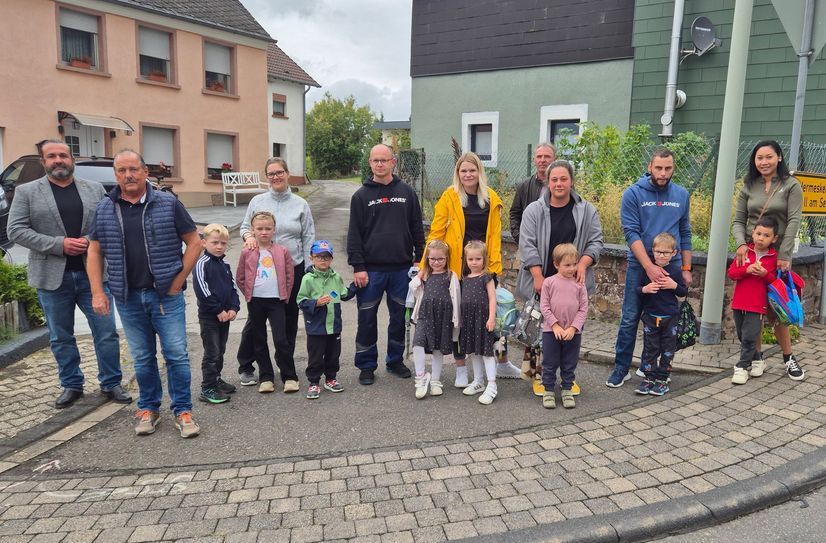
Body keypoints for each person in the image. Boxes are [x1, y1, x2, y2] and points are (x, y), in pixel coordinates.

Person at [7, 140, 130, 409]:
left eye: (63, 155)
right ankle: (72, 384)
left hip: (93, 275)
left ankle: (111, 382)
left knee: (107, 332)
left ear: (71, 159)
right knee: (61, 336)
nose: (58, 160)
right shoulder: (27, 191)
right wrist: (58, 244)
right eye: (52, 156)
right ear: (43, 162)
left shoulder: (93, 189)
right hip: (52, 276)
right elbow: (15, 230)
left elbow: (106, 224)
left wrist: (88, 240)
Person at [88, 149, 202, 438]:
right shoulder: (104, 208)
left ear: (144, 172)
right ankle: (148, 407)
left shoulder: (167, 203)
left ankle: (182, 410)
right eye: (122, 170)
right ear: (116, 175)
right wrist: (97, 291)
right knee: (142, 357)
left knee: (176, 355)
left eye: (134, 169)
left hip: (165, 296)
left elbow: (195, 242)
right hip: (127, 298)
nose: (128, 175)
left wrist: (177, 282)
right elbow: (95, 249)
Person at [422, 152, 521, 385]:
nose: (468, 174)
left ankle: (503, 362)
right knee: (460, 319)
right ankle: (460, 370)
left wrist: (495, 269)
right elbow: (436, 233)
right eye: (463, 171)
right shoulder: (449, 197)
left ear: (479, 172)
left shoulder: (491, 198)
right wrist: (425, 265)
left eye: (472, 170)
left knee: (493, 318)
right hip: (458, 268)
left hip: (484, 268)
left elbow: (495, 238)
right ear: (458, 173)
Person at [606, 147, 692, 388]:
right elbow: (631, 232)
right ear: (649, 167)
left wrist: (686, 267)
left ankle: (655, 368)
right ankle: (621, 367)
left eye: (668, 168)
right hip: (640, 266)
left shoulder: (682, 195)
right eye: (658, 168)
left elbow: (685, 232)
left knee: (665, 319)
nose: (663, 173)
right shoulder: (633, 194)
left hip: (671, 267)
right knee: (631, 317)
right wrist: (649, 266)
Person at [518, 160, 603, 396]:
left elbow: (596, 241)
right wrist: (537, 275)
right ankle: (539, 377)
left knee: (569, 332)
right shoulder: (534, 210)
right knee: (539, 331)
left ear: (571, 181)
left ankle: (567, 379)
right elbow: (527, 244)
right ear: (547, 182)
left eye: (563, 179)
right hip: (542, 280)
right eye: (554, 179)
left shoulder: (586, 210)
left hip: (572, 285)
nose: (558, 183)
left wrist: (584, 264)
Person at [347, 144, 425, 385]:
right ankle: (366, 365)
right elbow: (354, 235)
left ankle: (395, 361)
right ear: (370, 163)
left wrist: (420, 259)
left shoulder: (407, 192)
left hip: (402, 270)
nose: (379, 164)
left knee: (399, 319)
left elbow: (416, 228)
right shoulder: (360, 196)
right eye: (375, 160)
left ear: (393, 162)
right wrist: (358, 266)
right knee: (367, 319)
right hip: (370, 271)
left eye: (384, 160)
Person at [732, 140, 804, 381]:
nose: (764, 162)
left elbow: (794, 220)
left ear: (779, 158)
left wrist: (784, 255)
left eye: (769, 157)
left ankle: (788, 357)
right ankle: (757, 358)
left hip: (778, 256)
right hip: (752, 253)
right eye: (759, 158)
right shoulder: (749, 186)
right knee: (753, 306)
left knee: (777, 307)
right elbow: (738, 221)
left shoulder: (791, 185)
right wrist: (742, 244)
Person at [239, 158, 314, 368]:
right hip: (262, 270)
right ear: (267, 177)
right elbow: (245, 227)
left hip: (293, 268)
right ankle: (246, 364)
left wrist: (309, 268)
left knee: (289, 317)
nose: (275, 177)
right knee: (255, 321)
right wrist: (248, 237)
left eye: (279, 172)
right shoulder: (257, 202)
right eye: (271, 174)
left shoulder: (300, 204)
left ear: (287, 174)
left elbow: (308, 236)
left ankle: (285, 364)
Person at [236, 211, 296, 393]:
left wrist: (284, 294)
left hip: (276, 302)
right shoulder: (247, 251)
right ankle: (266, 377)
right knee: (259, 340)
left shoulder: (282, 251)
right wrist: (249, 294)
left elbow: (289, 275)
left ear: (274, 230)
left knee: (281, 339)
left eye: (268, 228)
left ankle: (290, 376)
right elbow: (240, 277)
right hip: (256, 302)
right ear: (253, 230)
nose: (264, 232)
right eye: (259, 229)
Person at [296, 240, 357, 400]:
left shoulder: (336, 277)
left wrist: (355, 286)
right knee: (315, 356)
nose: (323, 260)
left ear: (331, 259)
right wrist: (315, 303)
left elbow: (344, 294)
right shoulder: (307, 279)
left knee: (333, 354)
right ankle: (314, 382)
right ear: (311, 258)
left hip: (334, 325)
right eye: (319, 257)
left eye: (326, 257)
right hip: (316, 326)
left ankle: (330, 378)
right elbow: (300, 300)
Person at [634, 232, 688, 396]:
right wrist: (645, 289)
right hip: (650, 317)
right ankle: (649, 378)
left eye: (665, 252)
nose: (661, 256)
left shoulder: (675, 271)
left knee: (667, 350)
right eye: (658, 252)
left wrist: (673, 285)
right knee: (650, 349)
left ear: (674, 253)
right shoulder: (648, 270)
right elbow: (636, 289)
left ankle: (663, 379)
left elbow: (683, 292)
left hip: (670, 318)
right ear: (653, 251)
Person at [192, 223, 240, 404]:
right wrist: (218, 310)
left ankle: (216, 379)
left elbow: (232, 289)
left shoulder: (225, 265)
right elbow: (202, 290)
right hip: (210, 317)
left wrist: (233, 308)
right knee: (211, 352)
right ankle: (207, 387)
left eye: (223, 243)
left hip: (225, 316)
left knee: (220, 350)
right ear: (204, 243)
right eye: (214, 242)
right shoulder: (201, 264)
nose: (219, 246)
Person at [727, 217, 779, 385]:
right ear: (752, 233)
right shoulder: (744, 252)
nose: (761, 238)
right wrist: (747, 270)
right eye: (758, 233)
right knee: (743, 335)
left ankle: (741, 367)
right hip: (739, 302)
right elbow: (732, 273)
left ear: (774, 239)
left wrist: (765, 274)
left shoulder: (773, 257)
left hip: (758, 305)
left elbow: (774, 281)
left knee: (750, 336)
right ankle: (758, 360)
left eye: (766, 235)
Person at [408, 240, 461, 399]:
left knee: (438, 349)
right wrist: (419, 274)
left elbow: (456, 297)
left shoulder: (451, 275)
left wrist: (456, 321)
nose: (436, 262)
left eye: (440, 259)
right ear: (427, 259)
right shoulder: (425, 274)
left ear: (446, 259)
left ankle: (436, 381)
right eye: (432, 259)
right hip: (425, 315)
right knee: (418, 344)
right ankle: (420, 376)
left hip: (443, 317)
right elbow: (412, 287)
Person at [539, 243, 588, 409]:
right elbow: (544, 307)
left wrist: (574, 328)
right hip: (551, 331)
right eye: (567, 265)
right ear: (556, 264)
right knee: (550, 362)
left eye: (574, 264)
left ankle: (567, 388)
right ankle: (548, 390)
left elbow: (583, 308)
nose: (571, 269)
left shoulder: (580, 284)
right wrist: (555, 325)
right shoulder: (549, 283)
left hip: (573, 332)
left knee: (569, 362)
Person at [459, 241, 498, 405]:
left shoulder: (486, 277)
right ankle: (478, 381)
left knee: (487, 352)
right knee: (474, 351)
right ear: (466, 260)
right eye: (470, 259)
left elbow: (492, 298)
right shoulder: (465, 279)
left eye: (478, 259)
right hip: (469, 320)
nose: (474, 262)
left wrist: (491, 318)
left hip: (483, 320)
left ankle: (492, 385)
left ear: (484, 259)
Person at [510, 143, 556, 243]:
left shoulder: (563, 185)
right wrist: (521, 239)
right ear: (533, 159)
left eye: (547, 156)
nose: (543, 160)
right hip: (529, 243)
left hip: (556, 244)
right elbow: (515, 214)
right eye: (539, 156)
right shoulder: (523, 186)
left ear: (554, 160)